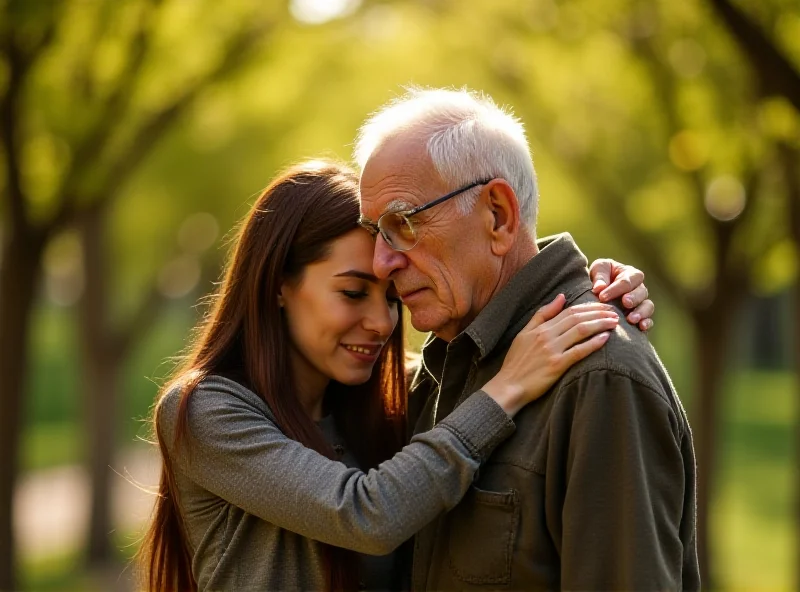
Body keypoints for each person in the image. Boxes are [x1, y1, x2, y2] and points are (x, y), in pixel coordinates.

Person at [135, 161, 655, 592]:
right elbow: (366, 513)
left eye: (391, 296)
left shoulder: (396, 396)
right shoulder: (205, 411)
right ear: (278, 285)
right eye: (353, 293)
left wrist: (590, 285)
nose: (383, 323)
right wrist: (506, 390)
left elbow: (491, 322)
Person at [356, 88, 700, 591]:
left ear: (498, 215)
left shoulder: (599, 378)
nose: (380, 263)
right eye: (375, 232)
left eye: (403, 224)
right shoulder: (438, 371)